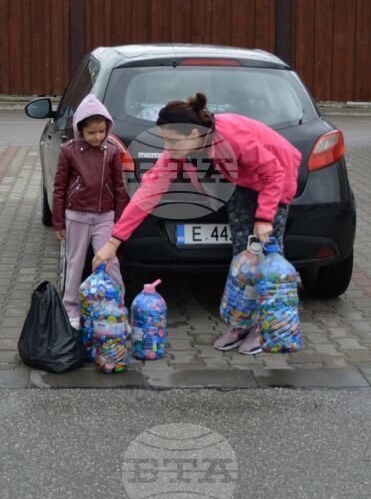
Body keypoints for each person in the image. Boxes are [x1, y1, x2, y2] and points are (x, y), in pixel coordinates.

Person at [92, 92, 301, 355]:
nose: (167, 147)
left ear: (192, 134)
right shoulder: (181, 150)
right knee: (242, 257)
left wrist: (263, 218)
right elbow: (147, 194)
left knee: (268, 257)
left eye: (172, 141)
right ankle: (241, 324)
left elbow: (274, 173)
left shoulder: (233, 137)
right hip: (244, 181)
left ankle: (267, 327)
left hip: (276, 176)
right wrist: (114, 241)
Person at [53, 94, 130, 329]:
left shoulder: (112, 151)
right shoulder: (69, 151)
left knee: (109, 262)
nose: (97, 137)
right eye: (91, 132)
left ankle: (118, 309)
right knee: (75, 263)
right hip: (75, 215)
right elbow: (59, 186)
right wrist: (58, 222)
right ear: (80, 130)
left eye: (101, 131)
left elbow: (119, 186)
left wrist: (120, 219)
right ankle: (71, 309)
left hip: (105, 217)